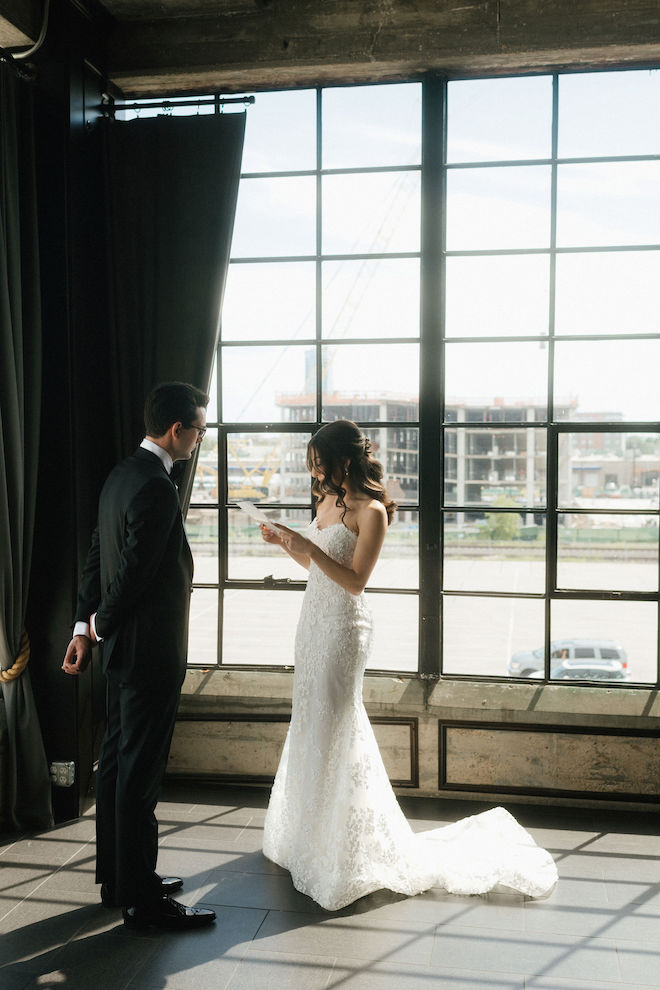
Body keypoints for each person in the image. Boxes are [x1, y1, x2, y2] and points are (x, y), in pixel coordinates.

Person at [260, 419, 558, 911]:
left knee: (337, 721)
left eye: (318, 462)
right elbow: (318, 570)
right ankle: (309, 836)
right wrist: (290, 546)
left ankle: (347, 845)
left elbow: (354, 581)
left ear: (344, 460)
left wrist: (308, 546)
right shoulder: (326, 501)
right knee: (311, 719)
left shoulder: (372, 511)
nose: (313, 471)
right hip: (312, 622)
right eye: (310, 463)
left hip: (343, 628)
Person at [62, 381, 216, 931]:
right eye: (199, 430)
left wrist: (83, 628)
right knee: (139, 774)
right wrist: (98, 624)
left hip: (120, 653)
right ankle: (143, 901)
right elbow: (132, 575)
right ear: (177, 429)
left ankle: (120, 879)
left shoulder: (121, 475)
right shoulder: (156, 486)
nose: (199, 439)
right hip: (148, 653)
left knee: (115, 766)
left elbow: (94, 558)